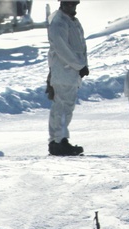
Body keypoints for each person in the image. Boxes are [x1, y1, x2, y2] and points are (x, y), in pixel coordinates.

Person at [47, 1, 88, 156]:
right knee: (62, 108)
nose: (71, 6)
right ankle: (58, 141)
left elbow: (80, 46)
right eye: (68, 3)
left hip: (70, 74)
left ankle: (59, 140)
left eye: (73, 3)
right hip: (64, 72)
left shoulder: (73, 21)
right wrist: (79, 65)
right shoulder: (59, 22)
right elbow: (61, 48)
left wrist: (82, 65)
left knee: (65, 107)